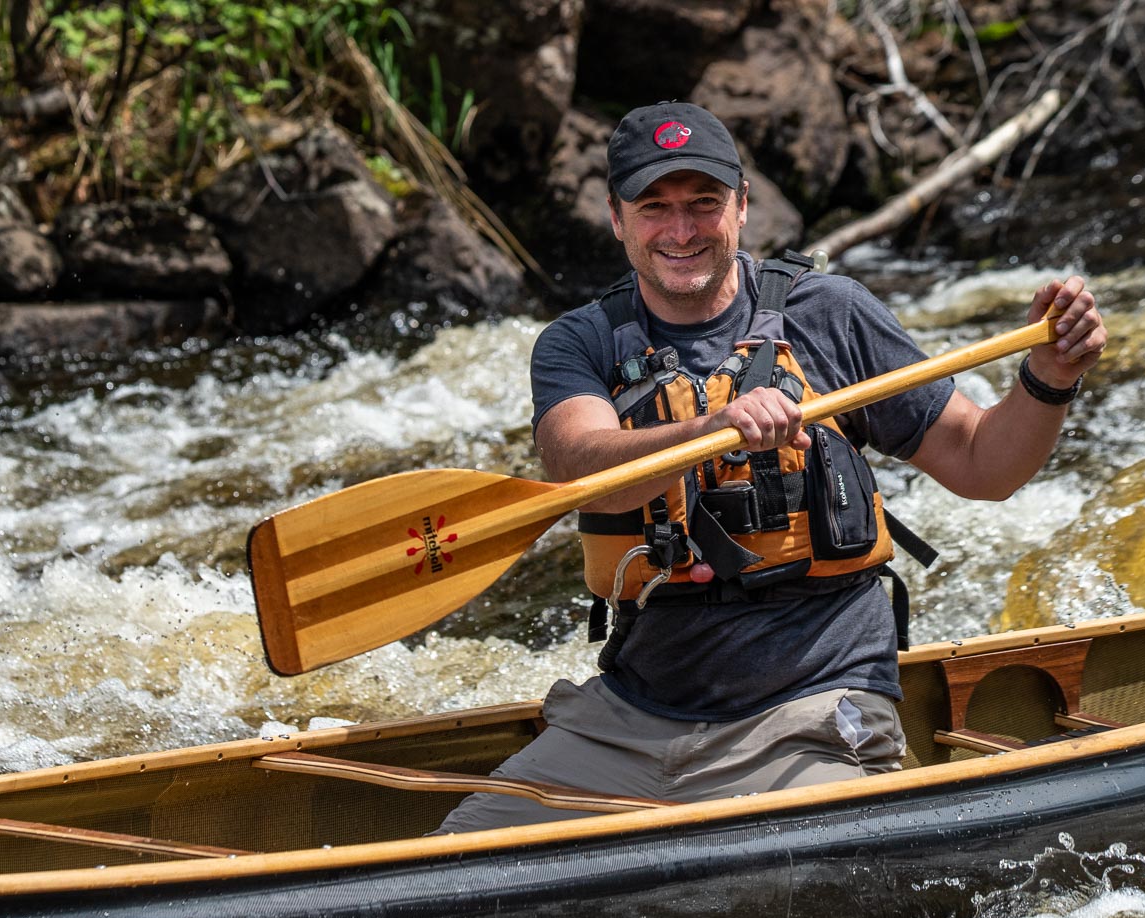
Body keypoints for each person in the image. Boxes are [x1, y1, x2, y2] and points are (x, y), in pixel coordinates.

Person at [434, 101, 1106, 834]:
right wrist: (714, 427)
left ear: (743, 208)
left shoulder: (830, 314)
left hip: (812, 709)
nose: (682, 230)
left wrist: (1050, 375)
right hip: (631, 718)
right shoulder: (579, 343)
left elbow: (984, 466)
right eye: (655, 208)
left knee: (803, 880)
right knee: (452, 864)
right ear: (616, 218)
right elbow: (577, 465)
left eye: (704, 205)